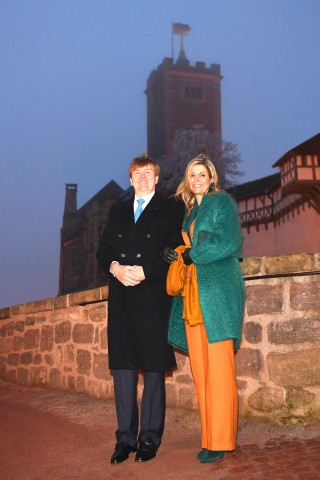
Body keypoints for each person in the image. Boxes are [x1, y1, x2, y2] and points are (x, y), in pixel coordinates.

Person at [96, 154, 184, 465]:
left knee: (153, 370)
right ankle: (124, 439)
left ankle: (149, 438)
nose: (143, 178)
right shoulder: (118, 209)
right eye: (137, 174)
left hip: (152, 295)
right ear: (131, 179)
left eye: (148, 173)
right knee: (123, 369)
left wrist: (147, 270)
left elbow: (175, 248)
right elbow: (103, 250)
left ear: (157, 179)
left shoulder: (171, 208)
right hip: (121, 295)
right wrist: (116, 267)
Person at [164, 154, 245, 464]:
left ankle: (224, 440)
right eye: (192, 175)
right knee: (201, 373)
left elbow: (230, 242)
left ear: (212, 178)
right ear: (187, 181)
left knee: (220, 372)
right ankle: (210, 438)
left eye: (202, 174)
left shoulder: (221, 202)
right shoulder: (191, 212)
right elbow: (190, 246)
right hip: (194, 298)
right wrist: (178, 253)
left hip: (217, 296)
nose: (197, 179)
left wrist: (193, 254)